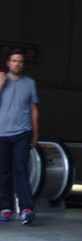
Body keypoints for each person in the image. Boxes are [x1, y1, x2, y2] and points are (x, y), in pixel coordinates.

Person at [0, 49, 39, 224]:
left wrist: (35, 134)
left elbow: (33, 110)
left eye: (20, 61)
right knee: (3, 173)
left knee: (21, 170)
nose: (17, 64)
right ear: (8, 63)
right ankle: (5, 207)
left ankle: (27, 208)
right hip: (1, 133)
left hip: (22, 132)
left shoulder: (29, 83)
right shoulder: (1, 80)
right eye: (14, 61)